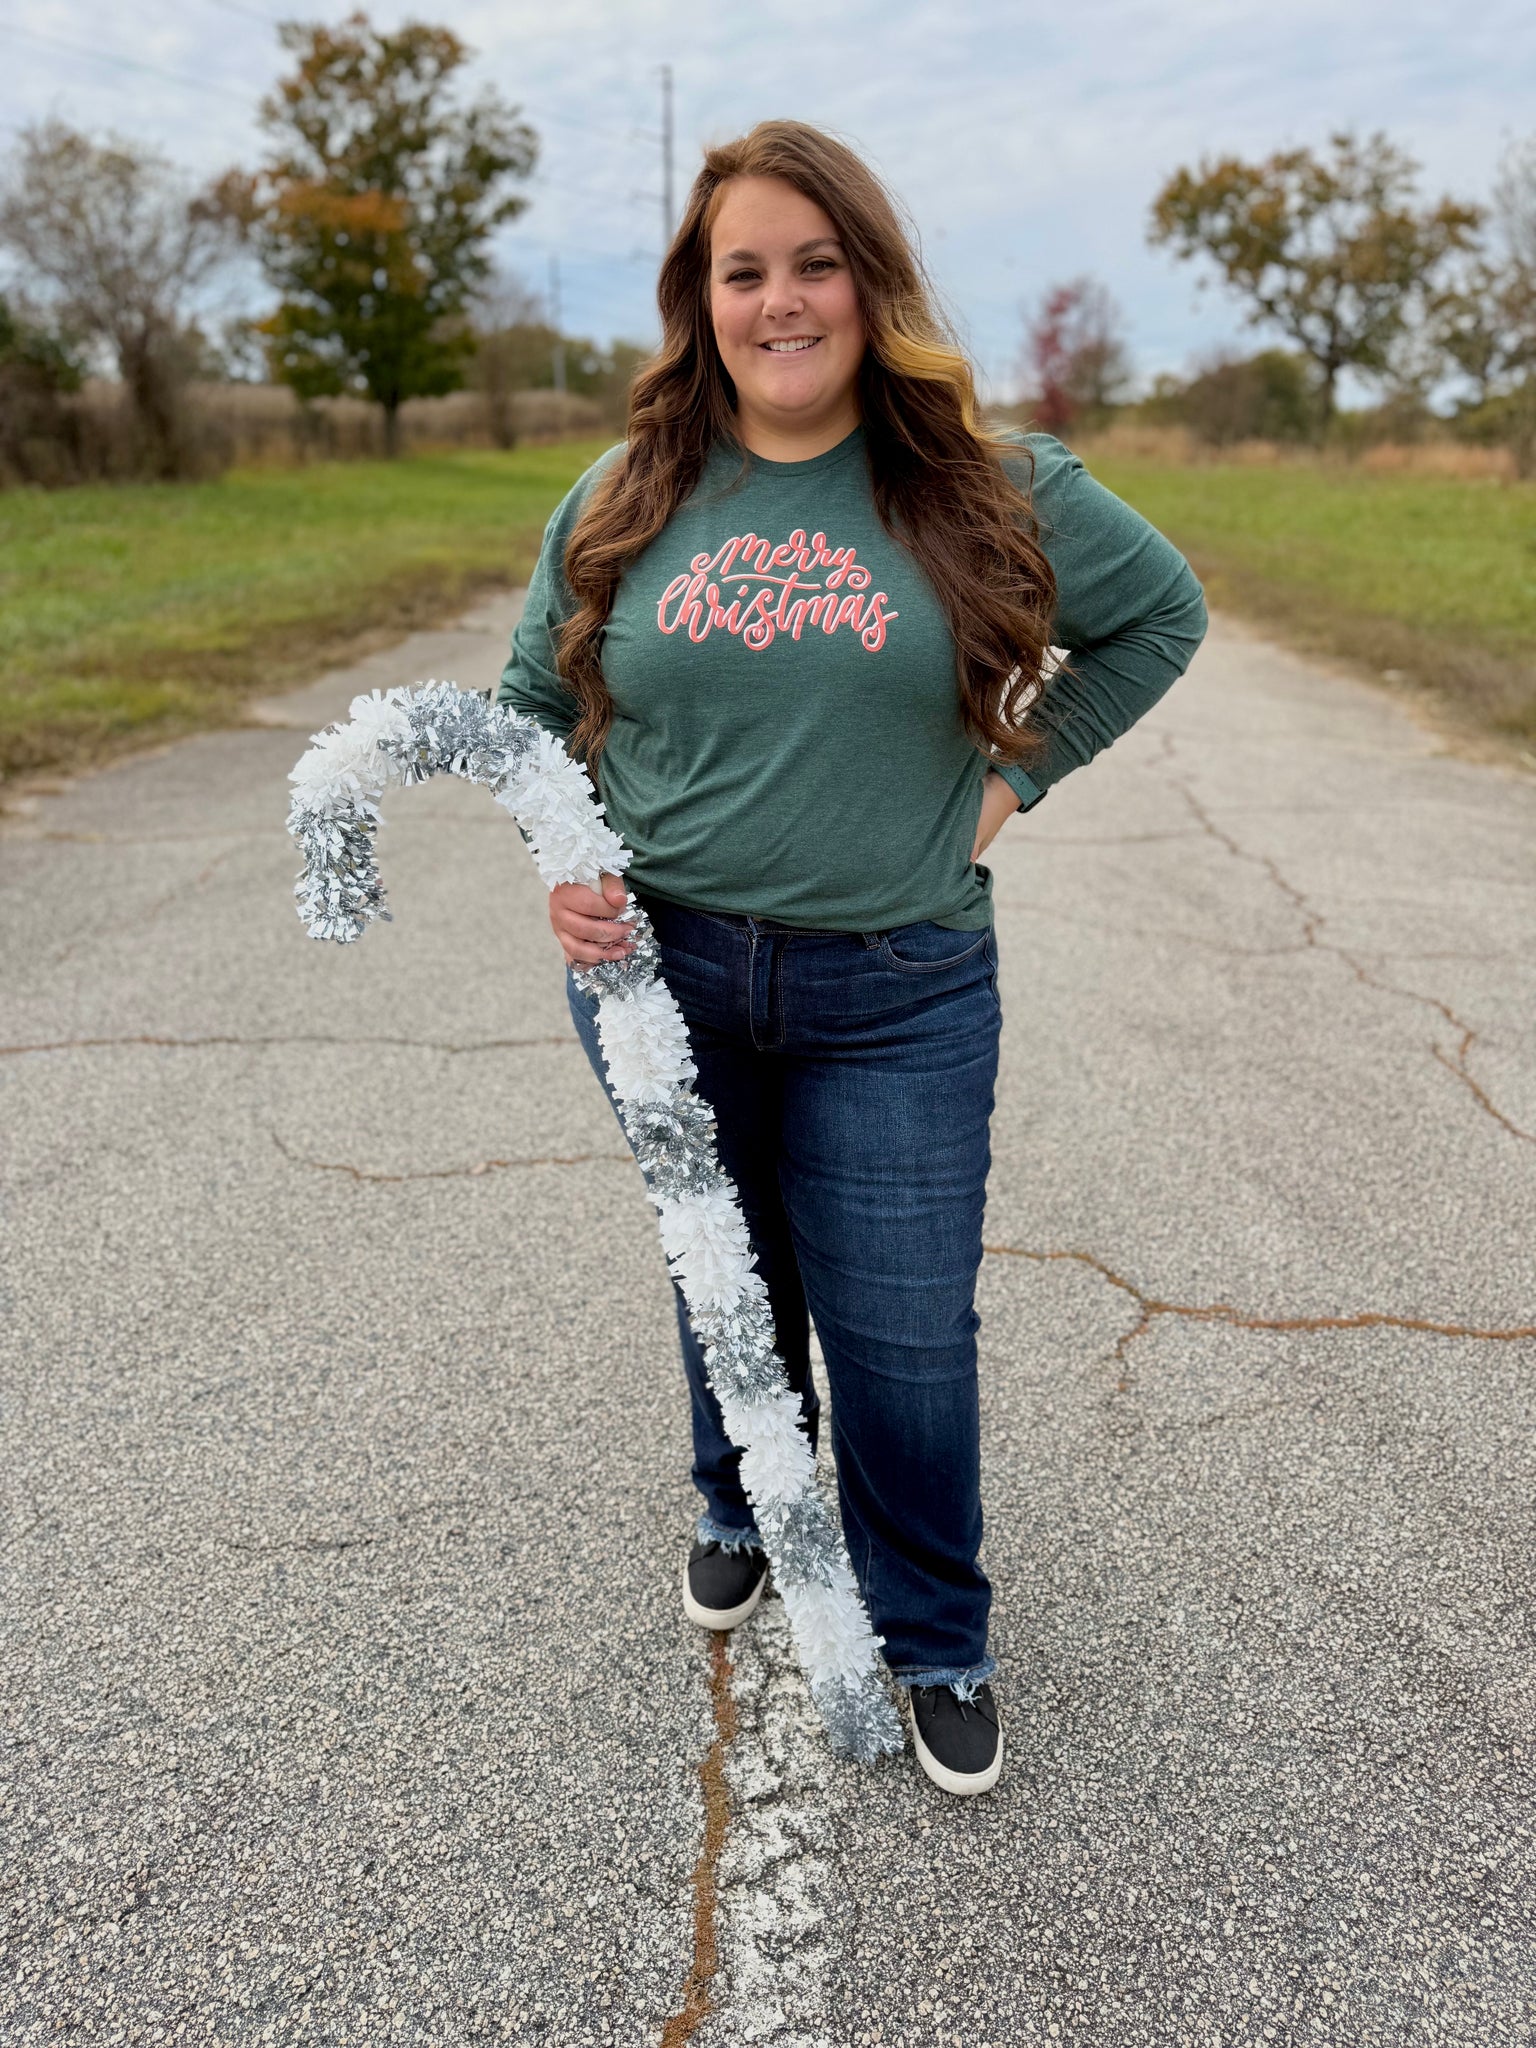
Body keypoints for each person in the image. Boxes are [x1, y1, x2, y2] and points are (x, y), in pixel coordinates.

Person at [498, 119, 1206, 1796]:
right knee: (729, 1292)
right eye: (746, 270)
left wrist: (1018, 779)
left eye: (816, 263)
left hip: (897, 990)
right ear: (703, 300)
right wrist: (566, 870)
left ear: (870, 285)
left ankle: (934, 1632)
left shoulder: (993, 479)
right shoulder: (622, 496)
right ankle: (737, 1501)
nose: (782, 300)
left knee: (899, 1333)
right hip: (663, 986)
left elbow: (1159, 618)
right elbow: (532, 716)